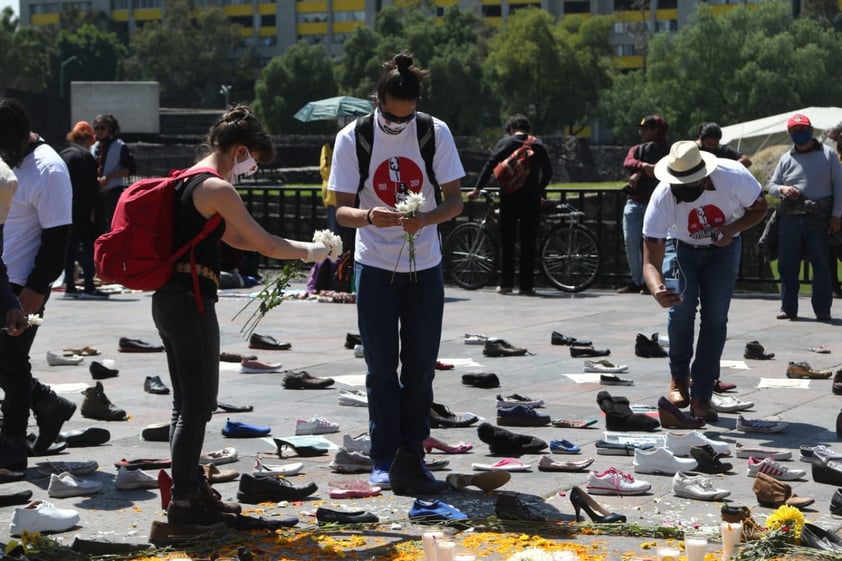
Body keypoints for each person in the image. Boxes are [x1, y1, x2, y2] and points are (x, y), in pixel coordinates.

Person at [151, 104, 329, 526]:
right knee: (196, 409)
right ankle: (186, 502)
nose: (250, 170)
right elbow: (263, 244)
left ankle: (188, 492)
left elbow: (239, 238)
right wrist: (311, 252)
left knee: (184, 406)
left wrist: (294, 248)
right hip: (192, 301)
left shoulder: (185, 181)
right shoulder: (216, 188)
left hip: (169, 300)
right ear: (241, 151)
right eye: (253, 162)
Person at [330, 53, 464, 493]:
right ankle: (383, 455)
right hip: (374, 264)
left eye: (405, 117)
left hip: (424, 265)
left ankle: (413, 452)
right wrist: (370, 216)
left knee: (421, 366)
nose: (397, 125)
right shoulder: (356, 136)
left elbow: (454, 201)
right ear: (378, 101)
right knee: (380, 367)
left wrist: (424, 219)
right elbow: (341, 209)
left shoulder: (433, 131)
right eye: (390, 116)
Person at [642, 141, 767, 421]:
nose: (681, 190)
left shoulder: (734, 176)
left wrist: (731, 229)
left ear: (703, 177)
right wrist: (656, 289)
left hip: (725, 249)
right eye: (677, 184)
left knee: (715, 318)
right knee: (680, 311)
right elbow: (650, 261)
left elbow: (760, 208)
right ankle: (678, 378)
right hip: (681, 247)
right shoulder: (663, 197)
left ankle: (702, 394)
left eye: (687, 184)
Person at [0, 98, 77, 469]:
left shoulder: (49, 169)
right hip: (2, 277)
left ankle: (13, 443)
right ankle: (48, 404)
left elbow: (58, 238)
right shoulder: (11, 162)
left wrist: (37, 289)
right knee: (5, 363)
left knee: (12, 364)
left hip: (23, 285)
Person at [767, 113, 842, 321]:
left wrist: (837, 216)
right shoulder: (786, 158)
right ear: (789, 133)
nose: (800, 133)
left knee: (822, 264)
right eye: (795, 130)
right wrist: (783, 188)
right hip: (790, 218)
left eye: (803, 129)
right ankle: (788, 308)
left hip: (819, 218)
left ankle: (822, 309)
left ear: (811, 130)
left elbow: (839, 186)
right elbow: (771, 186)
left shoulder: (828, 155)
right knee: (787, 265)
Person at [469, 114, 552, 295]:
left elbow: (490, 165)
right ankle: (526, 286)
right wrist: (538, 189)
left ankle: (506, 284)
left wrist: (477, 189)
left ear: (511, 128)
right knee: (528, 242)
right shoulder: (537, 145)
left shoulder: (505, 143)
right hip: (531, 199)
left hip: (509, 197)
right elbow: (548, 171)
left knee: (507, 240)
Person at [618, 115, 669, 294]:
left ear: (656, 129)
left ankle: (651, 282)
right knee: (631, 242)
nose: (642, 132)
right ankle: (637, 280)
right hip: (635, 202)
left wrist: (641, 172)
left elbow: (666, 166)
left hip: (656, 205)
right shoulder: (637, 149)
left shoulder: (668, 151)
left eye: (646, 128)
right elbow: (628, 161)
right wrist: (643, 166)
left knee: (655, 245)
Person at [60, 121, 108, 299]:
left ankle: (69, 286)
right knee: (88, 245)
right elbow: (91, 188)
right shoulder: (86, 157)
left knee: (69, 247)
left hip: (65, 209)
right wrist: (95, 209)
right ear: (88, 138)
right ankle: (88, 286)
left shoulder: (63, 155)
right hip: (82, 209)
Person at [92, 113, 136, 232]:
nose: (99, 131)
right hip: (97, 193)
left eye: (102, 128)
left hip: (112, 193)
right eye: (96, 128)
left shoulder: (120, 146)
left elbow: (130, 169)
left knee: (113, 225)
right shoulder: (94, 146)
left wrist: (109, 177)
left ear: (110, 129)